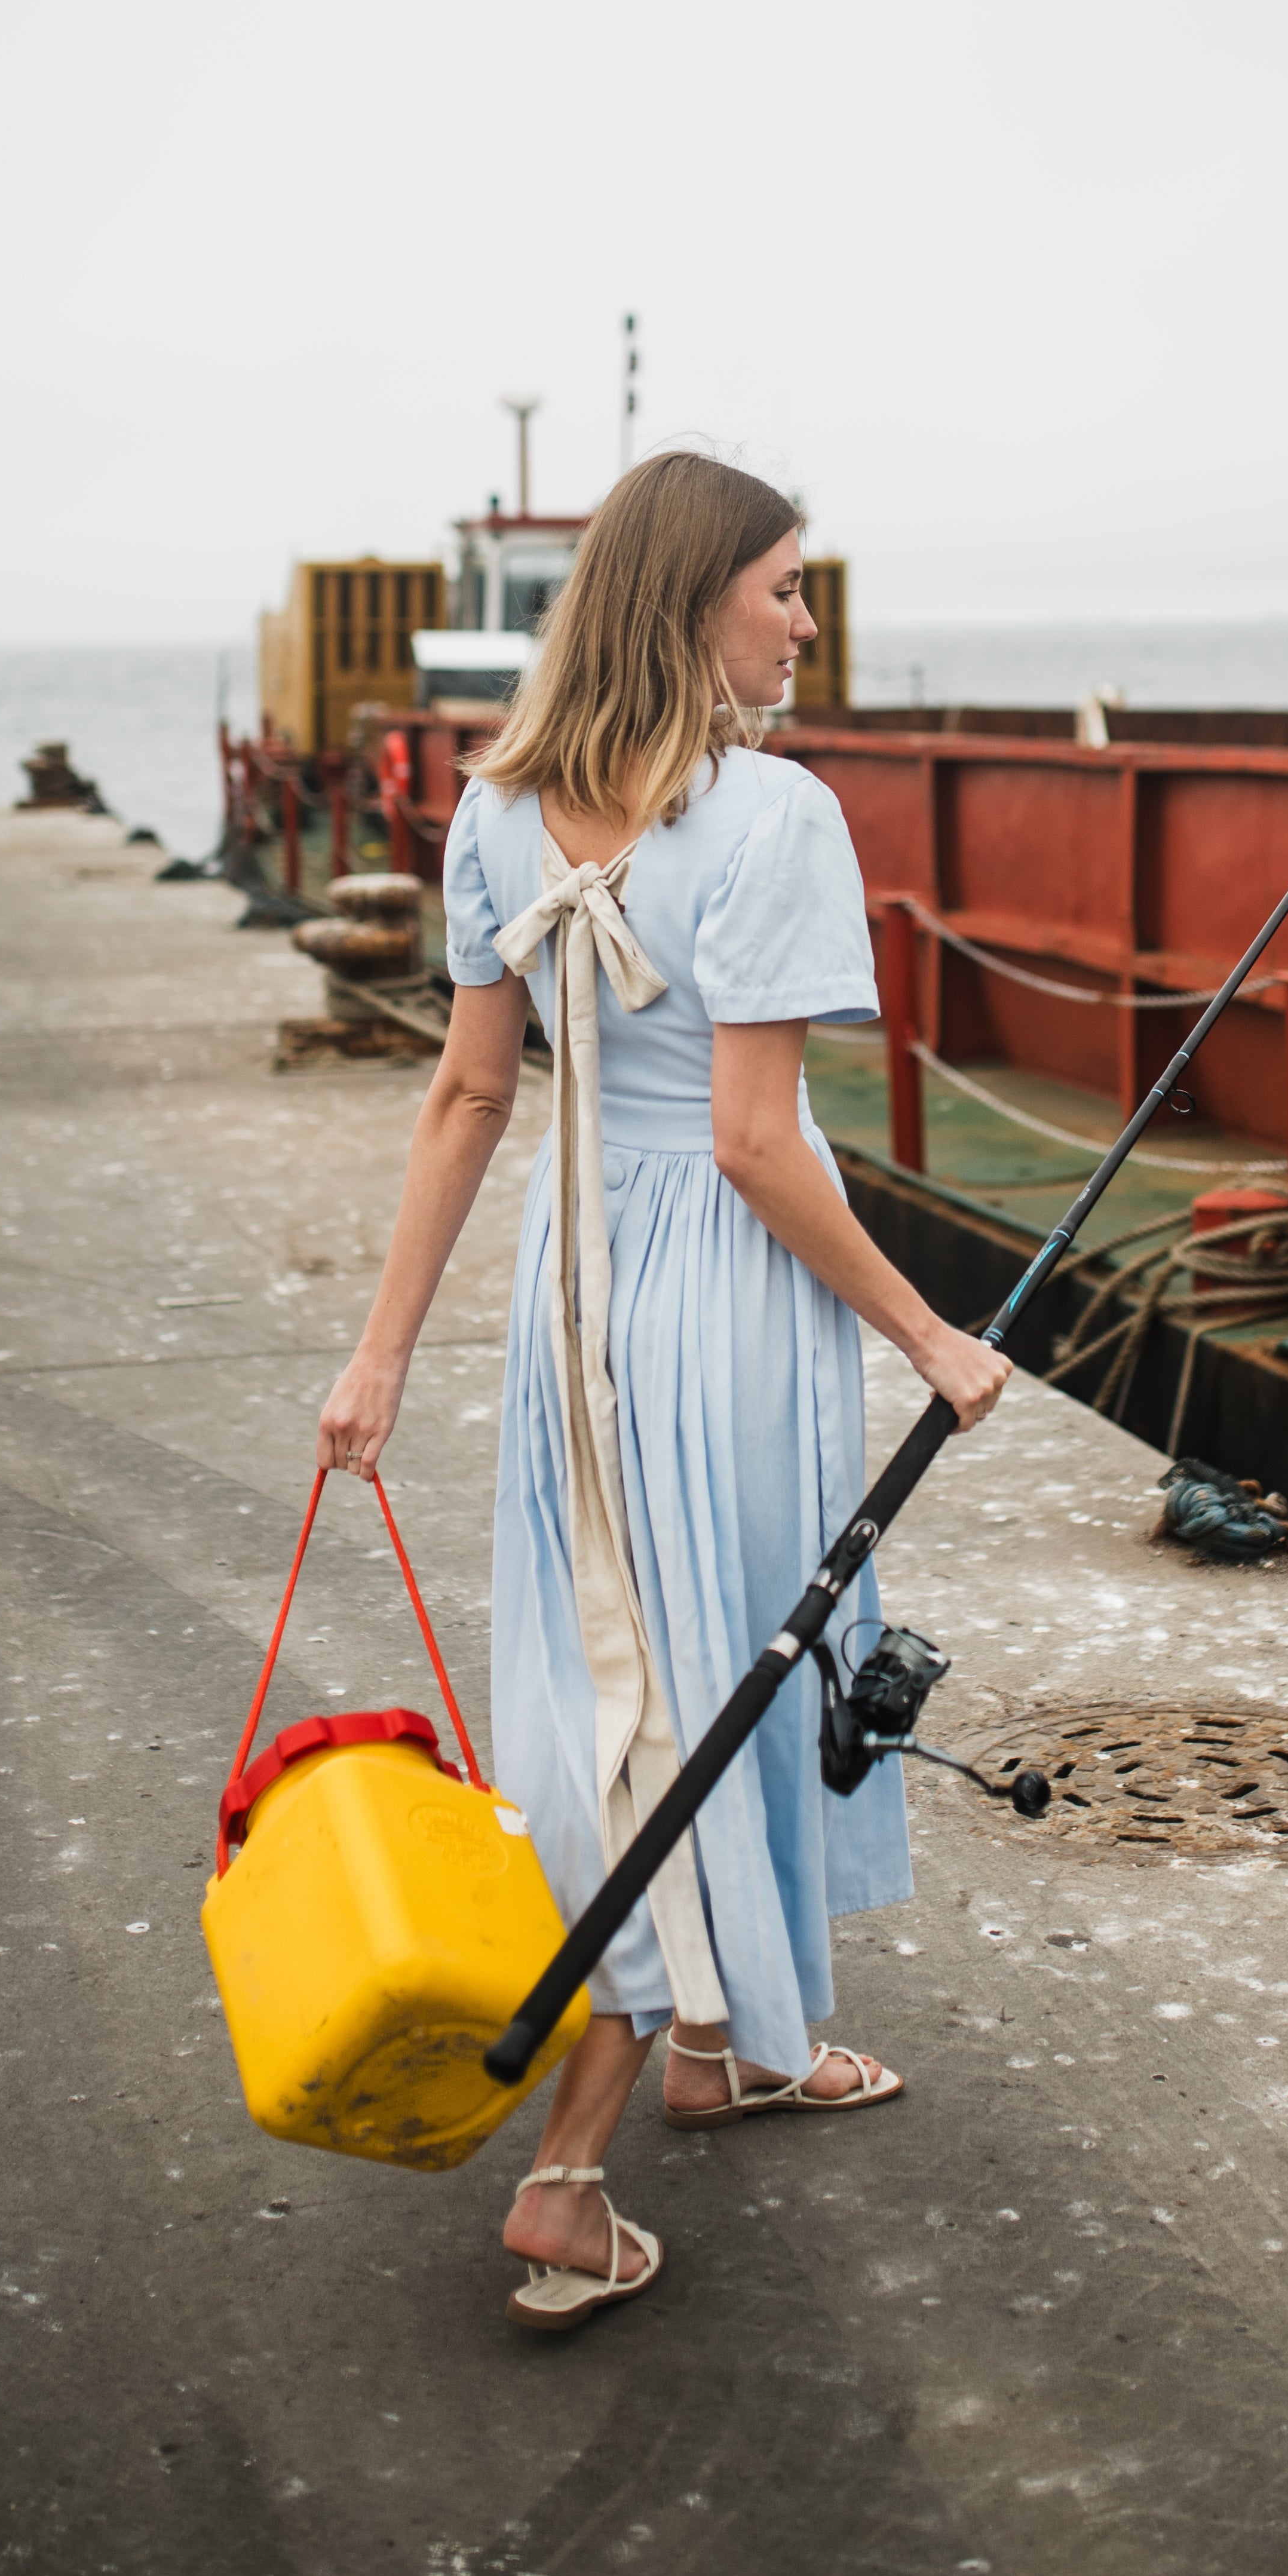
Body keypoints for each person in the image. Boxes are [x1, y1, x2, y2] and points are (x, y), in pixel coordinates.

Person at [314, 449, 1009, 2331]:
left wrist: (380, 1356)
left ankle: (731, 2048)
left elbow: (471, 1095)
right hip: (715, 1308)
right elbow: (760, 1146)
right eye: (782, 585)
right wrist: (932, 1340)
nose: (805, 618)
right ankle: (563, 2173)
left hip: (568, 1298)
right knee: (699, 1689)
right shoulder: (772, 816)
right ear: (692, 599)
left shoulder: (496, 814)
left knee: (630, 1664)